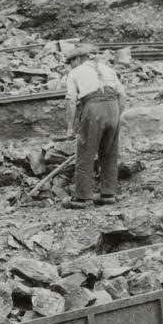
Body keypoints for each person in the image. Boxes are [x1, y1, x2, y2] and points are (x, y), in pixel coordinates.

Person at [63, 46, 127, 209]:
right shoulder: (107, 68)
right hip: (113, 107)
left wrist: (70, 128)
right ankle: (108, 194)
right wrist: (116, 116)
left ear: (77, 60)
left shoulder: (74, 73)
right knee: (110, 152)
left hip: (93, 109)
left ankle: (82, 197)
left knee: (85, 152)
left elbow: (71, 101)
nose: (69, 66)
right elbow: (123, 95)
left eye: (70, 63)